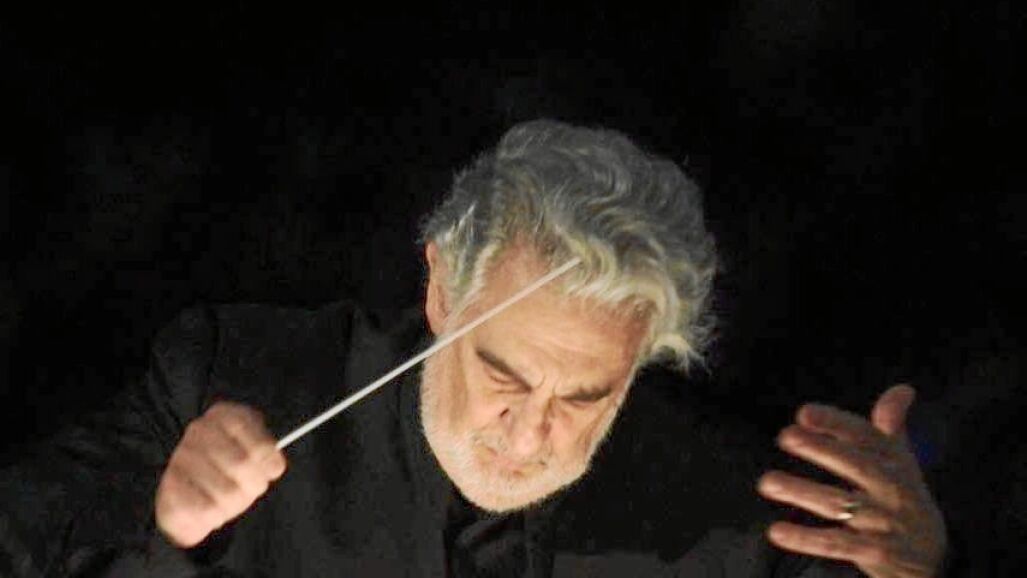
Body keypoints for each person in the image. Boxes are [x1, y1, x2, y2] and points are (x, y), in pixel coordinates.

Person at [0, 120, 952, 577]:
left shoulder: (728, 521)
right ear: (441, 289)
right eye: (504, 373)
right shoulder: (233, 377)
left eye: (584, 396)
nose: (530, 435)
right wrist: (173, 541)